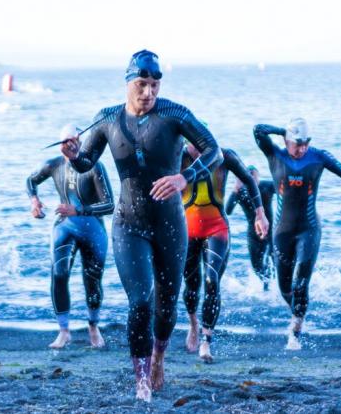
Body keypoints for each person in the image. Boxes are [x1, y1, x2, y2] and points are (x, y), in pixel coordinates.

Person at [61, 50, 222, 402]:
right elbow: (87, 162)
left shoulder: (174, 113)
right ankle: (141, 381)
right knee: (140, 302)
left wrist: (185, 177)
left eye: (154, 85)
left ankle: (159, 359)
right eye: (141, 84)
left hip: (170, 225)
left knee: (167, 305)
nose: (149, 92)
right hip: (128, 224)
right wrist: (73, 156)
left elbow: (214, 150)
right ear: (128, 82)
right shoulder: (107, 119)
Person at [254, 118, 341, 350]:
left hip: (309, 230)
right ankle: (298, 313)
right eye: (298, 143)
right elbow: (258, 131)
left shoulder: (318, 157)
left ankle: (295, 331)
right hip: (281, 232)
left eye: (306, 143)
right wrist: (281, 130)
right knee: (284, 286)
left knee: (301, 282)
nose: (302, 148)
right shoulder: (276, 155)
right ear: (287, 140)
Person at [27, 124, 115, 349]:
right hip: (65, 227)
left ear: (82, 142)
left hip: (93, 229)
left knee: (92, 281)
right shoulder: (54, 165)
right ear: (60, 145)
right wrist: (34, 201)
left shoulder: (95, 167)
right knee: (59, 274)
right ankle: (63, 331)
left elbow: (110, 205)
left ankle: (93, 327)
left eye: (75, 141)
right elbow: (30, 181)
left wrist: (79, 210)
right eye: (66, 142)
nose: (71, 146)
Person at [182, 143, 269, 363]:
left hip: (217, 228)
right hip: (187, 230)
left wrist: (260, 214)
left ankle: (206, 340)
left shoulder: (224, 155)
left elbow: (249, 179)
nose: (196, 151)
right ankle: (193, 323)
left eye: (200, 145)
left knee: (212, 282)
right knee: (191, 284)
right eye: (192, 145)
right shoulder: (177, 154)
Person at [225, 165, 276, 290]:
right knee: (257, 267)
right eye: (250, 176)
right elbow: (228, 210)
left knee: (274, 262)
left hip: (270, 233)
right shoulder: (240, 192)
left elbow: (284, 191)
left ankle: (276, 286)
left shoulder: (267, 186)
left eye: (255, 175)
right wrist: (235, 189)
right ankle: (267, 287)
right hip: (253, 234)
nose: (253, 179)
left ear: (258, 175)